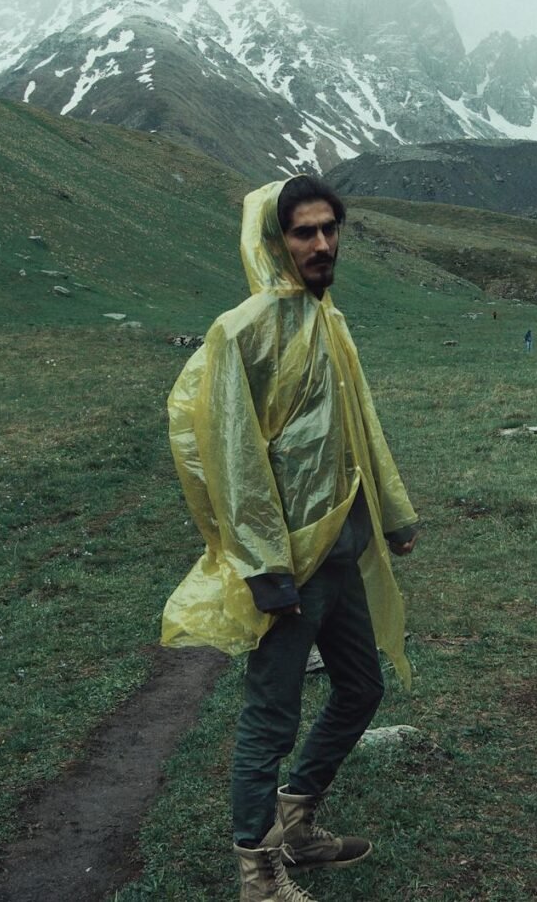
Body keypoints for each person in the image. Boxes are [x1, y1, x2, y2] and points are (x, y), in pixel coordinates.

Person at [162, 175, 421, 902]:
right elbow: (232, 458)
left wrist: (392, 516)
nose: (322, 243)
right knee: (271, 716)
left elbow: (361, 425)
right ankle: (258, 874)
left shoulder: (329, 321)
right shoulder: (241, 331)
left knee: (362, 687)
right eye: (304, 231)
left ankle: (297, 820)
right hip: (288, 565)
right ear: (275, 240)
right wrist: (263, 567)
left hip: (342, 547)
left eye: (330, 228)